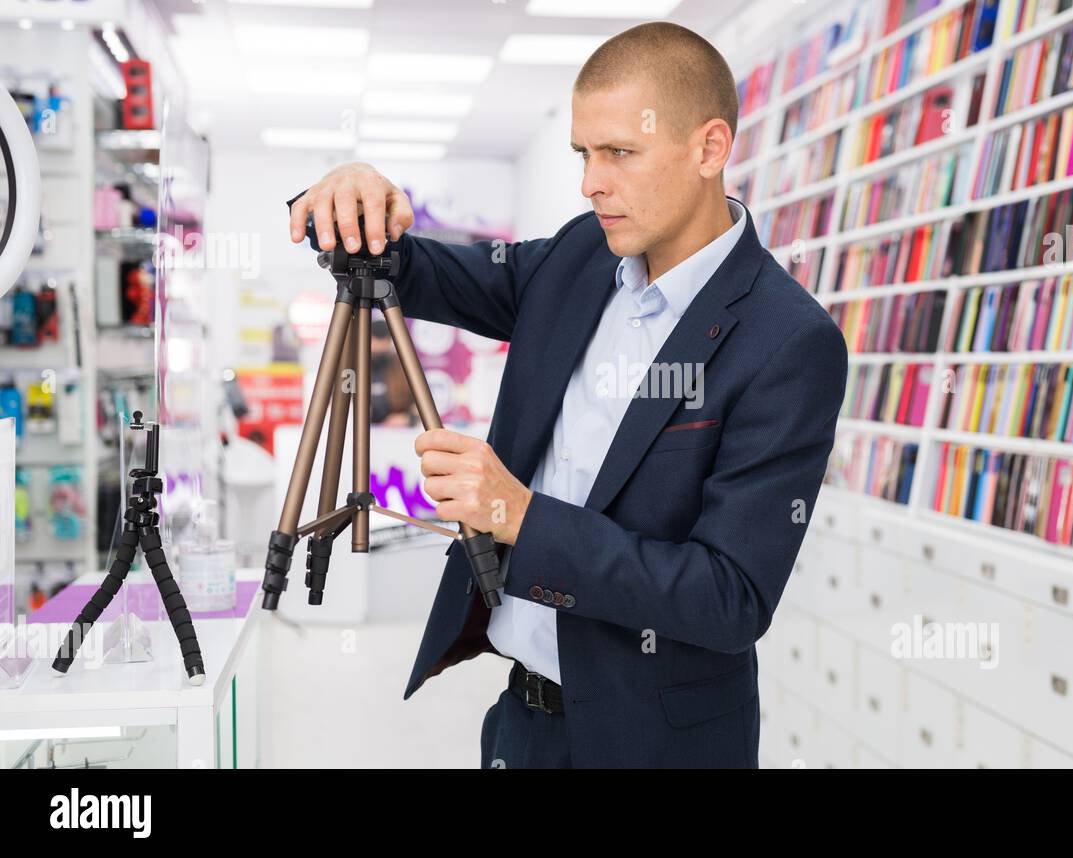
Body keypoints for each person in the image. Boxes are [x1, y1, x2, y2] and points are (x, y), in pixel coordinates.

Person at [287, 21, 847, 768]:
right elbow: (415, 268)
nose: (592, 182)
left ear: (710, 148)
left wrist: (518, 515)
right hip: (521, 726)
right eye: (584, 154)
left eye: (619, 152)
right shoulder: (581, 254)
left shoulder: (787, 342)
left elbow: (729, 598)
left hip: (656, 747)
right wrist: (348, 197)